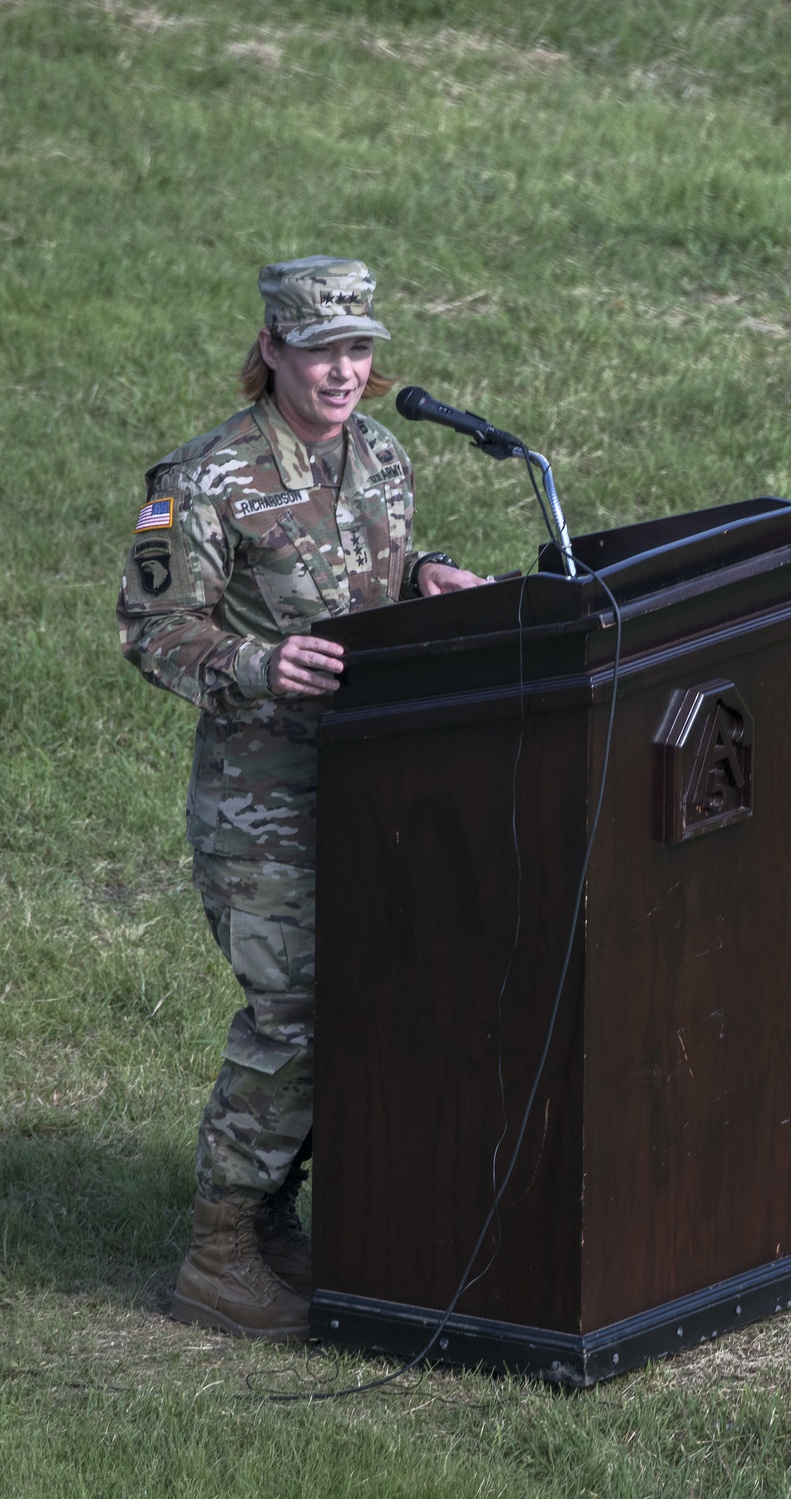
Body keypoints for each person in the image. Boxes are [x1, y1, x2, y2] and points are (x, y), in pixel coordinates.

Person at [117, 256, 482, 1340]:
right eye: (320, 349)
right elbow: (153, 630)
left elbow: (383, 560)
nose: (343, 371)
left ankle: (279, 1222)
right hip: (260, 804)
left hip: (379, 783)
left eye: (358, 348)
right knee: (291, 1015)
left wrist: (427, 576)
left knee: (362, 1005)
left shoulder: (381, 450)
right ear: (271, 348)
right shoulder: (201, 479)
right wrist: (257, 665)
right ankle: (219, 1251)